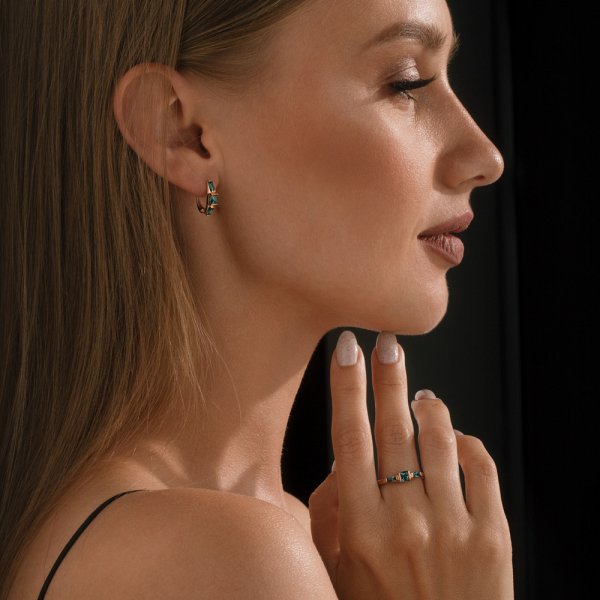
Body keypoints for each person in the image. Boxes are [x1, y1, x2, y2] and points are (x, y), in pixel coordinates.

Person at [0, 0, 512, 597]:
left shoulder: (232, 536)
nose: (486, 157)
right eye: (406, 83)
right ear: (182, 133)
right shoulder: (232, 560)